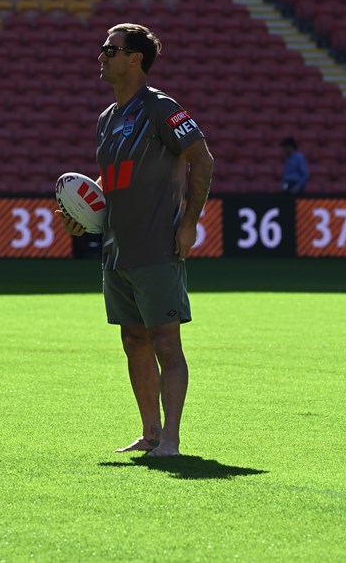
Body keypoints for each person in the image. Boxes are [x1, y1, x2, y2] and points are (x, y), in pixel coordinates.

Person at [56, 23, 214, 457]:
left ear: (135, 59)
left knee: (166, 340)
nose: (101, 56)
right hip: (116, 247)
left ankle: (173, 440)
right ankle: (149, 433)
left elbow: (202, 160)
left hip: (157, 244)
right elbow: (111, 181)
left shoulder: (162, 108)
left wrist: (188, 222)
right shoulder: (107, 119)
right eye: (103, 49)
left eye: (111, 49)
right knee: (133, 340)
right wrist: (83, 215)